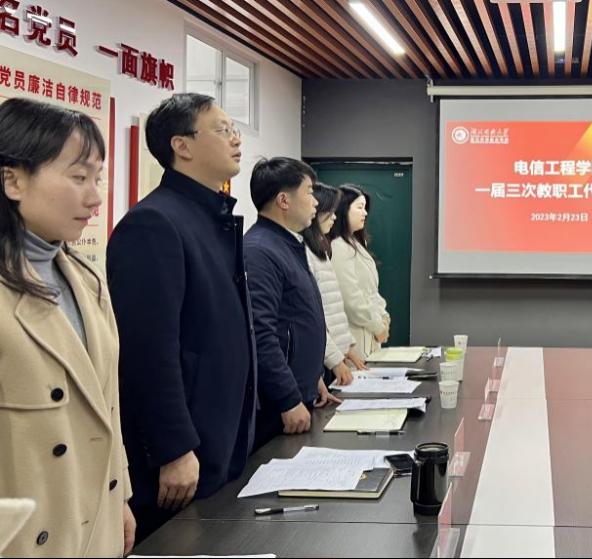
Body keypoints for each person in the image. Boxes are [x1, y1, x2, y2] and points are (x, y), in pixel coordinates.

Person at [107, 93, 257, 540]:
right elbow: (147, 350)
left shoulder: (210, 217)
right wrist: (172, 448)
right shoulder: (154, 223)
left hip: (219, 438)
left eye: (235, 130)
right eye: (223, 130)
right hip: (183, 455)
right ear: (182, 146)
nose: (236, 140)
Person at [0, 98, 134, 556]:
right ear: (13, 180)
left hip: (95, 518)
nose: (95, 198)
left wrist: (121, 497)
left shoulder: (87, 279)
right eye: (78, 178)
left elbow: (107, 408)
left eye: (97, 178)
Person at [246, 157, 340, 448]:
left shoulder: (287, 244)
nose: (316, 201)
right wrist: (287, 397)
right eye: (309, 192)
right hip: (278, 407)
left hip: (301, 394)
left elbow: (296, 319)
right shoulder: (260, 251)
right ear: (284, 200)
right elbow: (261, 334)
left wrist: (313, 378)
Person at [301, 182, 367, 387]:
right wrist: (335, 359)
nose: (334, 217)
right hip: (323, 358)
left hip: (332, 355)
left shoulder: (321, 249)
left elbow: (333, 310)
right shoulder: (305, 251)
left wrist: (347, 348)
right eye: (329, 212)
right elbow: (315, 317)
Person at [329, 184, 390, 360]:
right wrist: (378, 326)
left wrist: (384, 318)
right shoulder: (338, 247)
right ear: (343, 210)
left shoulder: (356, 244)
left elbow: (372, 292)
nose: (365, 213)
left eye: (365, 208)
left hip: (370, 335)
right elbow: (351, 300)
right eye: (359, 207)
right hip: (355, 338)